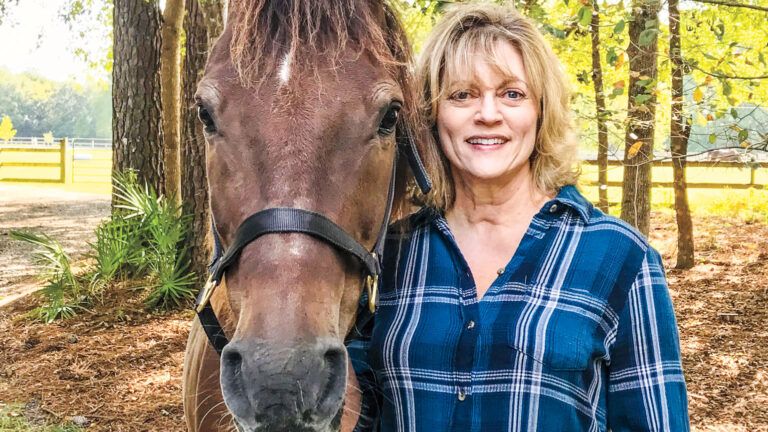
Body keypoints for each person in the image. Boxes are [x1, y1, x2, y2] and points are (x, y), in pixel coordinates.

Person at [347, 3, 689, 431]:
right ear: (431, 115)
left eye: (512, 94)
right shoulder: (390, 253)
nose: (488, 114)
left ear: (540, 111)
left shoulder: (620, 257)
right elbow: (354, 416)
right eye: (462, 94)